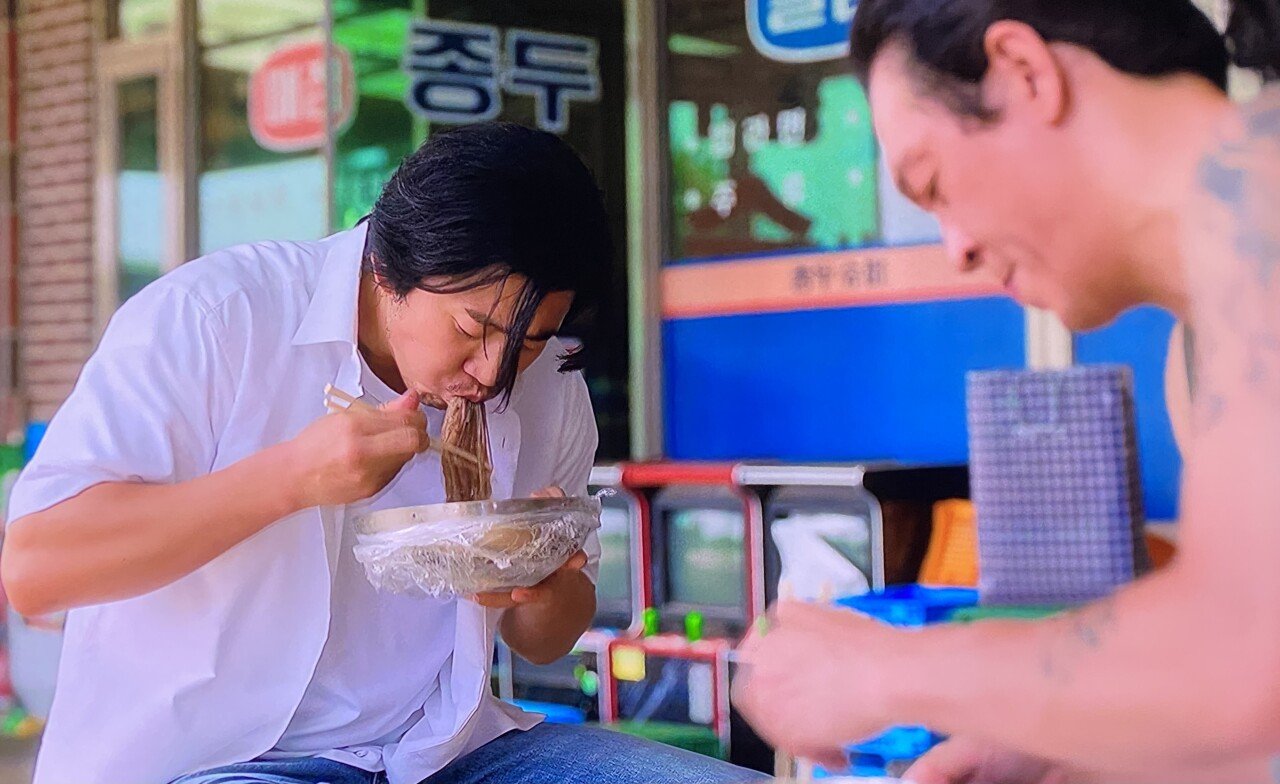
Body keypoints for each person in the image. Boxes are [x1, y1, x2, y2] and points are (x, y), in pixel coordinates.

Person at [1, 123, 763, 784]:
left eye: (528, 341)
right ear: (388, 267)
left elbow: (551, 635)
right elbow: (37, 571)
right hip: (213, 760)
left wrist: (535, 587)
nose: (496, 373)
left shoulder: (548, 388)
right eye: (474, 330)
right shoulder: (217, 318)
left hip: (443, 755)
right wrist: (291, 477)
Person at [733, 1, 1280, 782]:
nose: (955, 249)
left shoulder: (1259, 170)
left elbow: (1243, 652)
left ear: (1024, 71)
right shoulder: (1200, 349)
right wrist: (1060, 738)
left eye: (933, 184)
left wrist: (887, 671)